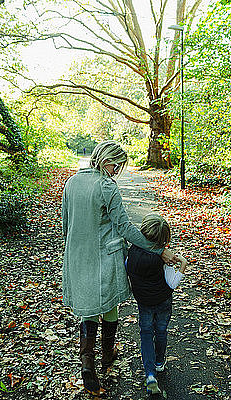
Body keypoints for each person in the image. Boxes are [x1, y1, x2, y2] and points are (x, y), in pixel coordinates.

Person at [61, 140, 179, 395]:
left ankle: (87, 362)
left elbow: (65, 225)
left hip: (77, 256)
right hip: (106, 255)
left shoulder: (70, 183)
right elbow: (125, 228)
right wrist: (158, 249)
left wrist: (74, 249)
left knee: (90, 308)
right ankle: (106, 355)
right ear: (105, 159)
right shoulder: (107, 187)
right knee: (109, 304)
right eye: (116, 166)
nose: (117, 172)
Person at [126, 213, 189, 395]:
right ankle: (160, 362)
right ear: (164, 239)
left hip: (144, 302)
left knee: (146, 333)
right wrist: (183, 264)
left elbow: (127, 266)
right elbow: (173, 283)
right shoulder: (163, 260)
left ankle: (150, 374)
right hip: (162, 302)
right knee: (160, 331)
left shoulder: (132, 252)